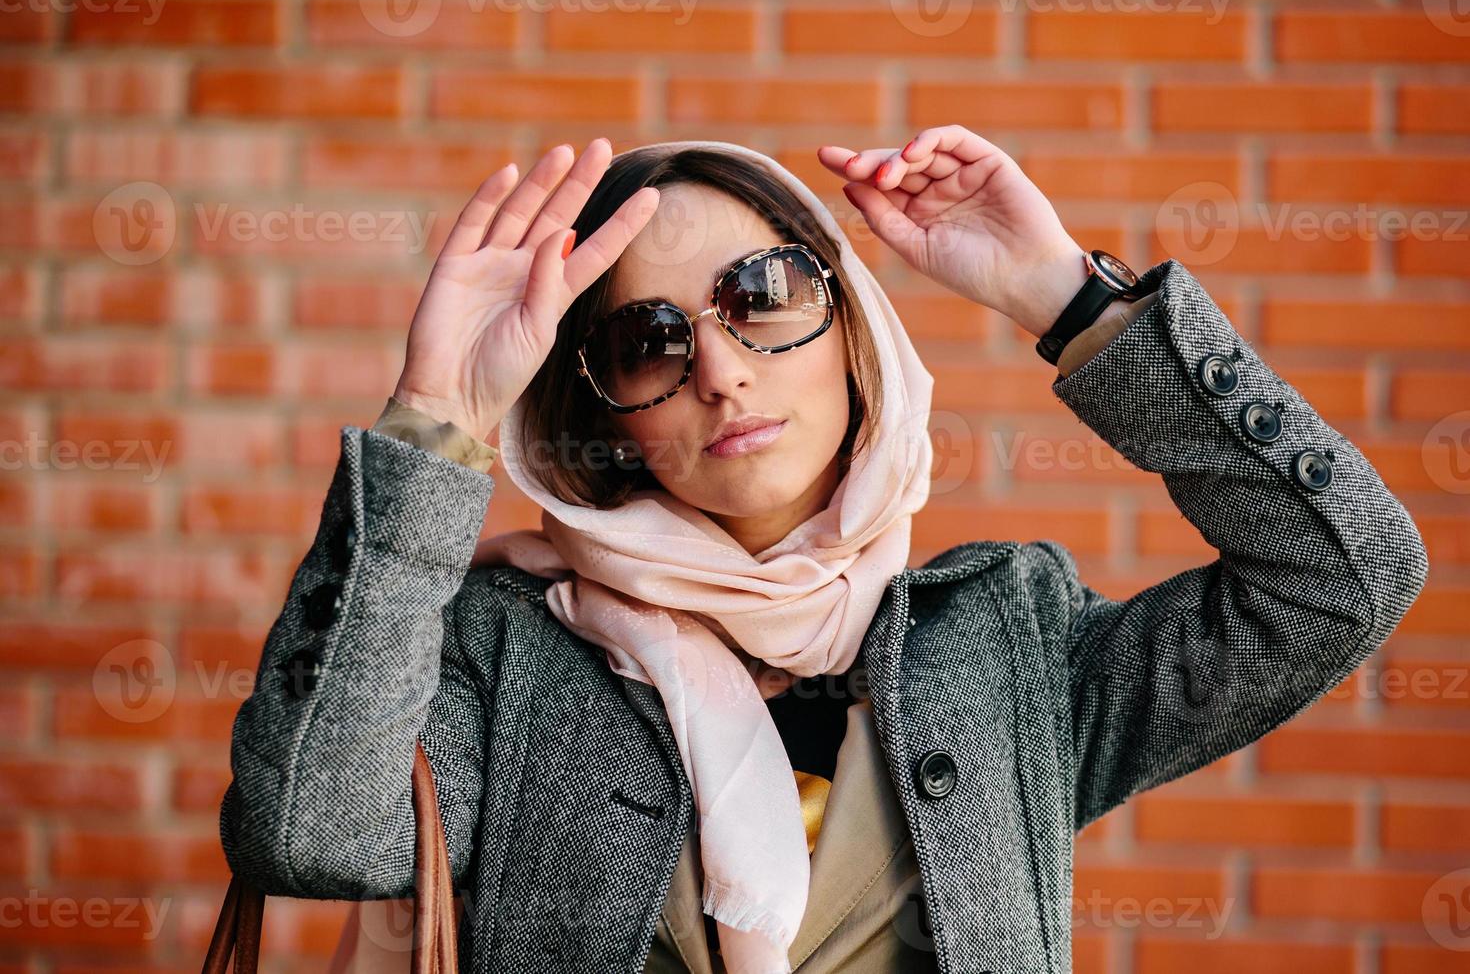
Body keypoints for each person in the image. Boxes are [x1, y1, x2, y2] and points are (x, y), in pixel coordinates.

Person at [220, 130, 1428, 974]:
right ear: (599, 413)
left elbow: (1344, 576)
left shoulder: (1009, 637)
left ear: (852, 328)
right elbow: (311, 833)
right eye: (649, 338)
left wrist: (1071, 298)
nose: (722, 367)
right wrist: (434, 414)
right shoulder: (507, 644)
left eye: (763, 290)